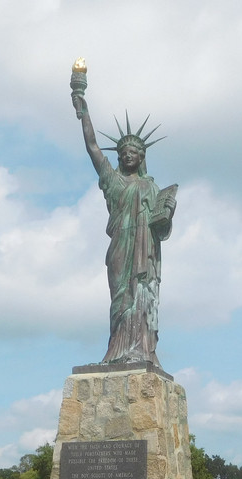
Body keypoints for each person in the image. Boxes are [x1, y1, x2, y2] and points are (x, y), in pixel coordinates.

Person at [72, 70, 177, 368]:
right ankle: (116, 352)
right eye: (123, 152)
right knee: (120, 300)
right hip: (121, 247)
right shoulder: (113, 181)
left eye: (134, 152)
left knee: (142, 296)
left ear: (142, 157)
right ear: (119, 157)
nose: (128, 155)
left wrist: (167, 213)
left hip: (146, 252)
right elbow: (92, 146)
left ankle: (143, 352)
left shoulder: (151, 186)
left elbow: (161, 226)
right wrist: (83, 108)